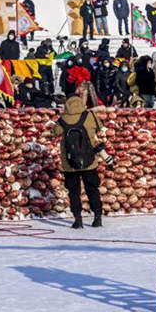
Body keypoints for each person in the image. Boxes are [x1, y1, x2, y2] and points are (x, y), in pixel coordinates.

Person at [51, 95, 110, 228]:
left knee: (74, 192)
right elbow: (100, 129)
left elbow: (54, 132)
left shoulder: (62, 120)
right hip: (89, 161)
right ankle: (97, 217)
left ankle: (78, 220)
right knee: (92, 189)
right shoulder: (90, 116)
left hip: (70, 164)